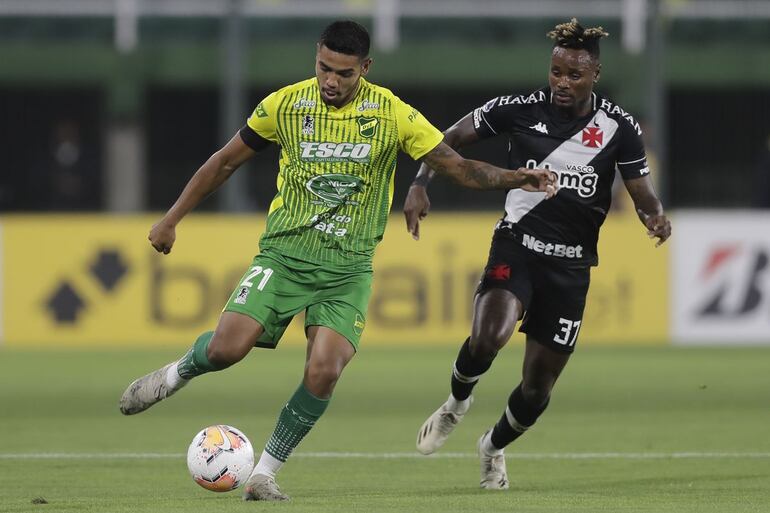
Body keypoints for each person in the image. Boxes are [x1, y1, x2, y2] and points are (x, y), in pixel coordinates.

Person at [118, 20, 557, 502]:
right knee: (226, 350)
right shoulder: (285, 104)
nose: (331, 80)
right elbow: (223, 161)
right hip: (285, 257)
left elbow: (459, 167)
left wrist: (515, 177)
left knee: (324, 370)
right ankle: (176, 374)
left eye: (343, 73)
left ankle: (263, 474)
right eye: (324, 67)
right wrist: (171, 219)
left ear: (364, 68)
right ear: (316, 58)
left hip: (347, 271)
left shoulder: (393, 115)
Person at [404, 18, 671, 490]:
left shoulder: (618, 128)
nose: (562, 83)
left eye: (574, 75)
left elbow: (641, 192)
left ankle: (492, 447)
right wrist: (421, 183)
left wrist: (655, 217)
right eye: (556, 72)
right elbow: (445, 141)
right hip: (517, 244)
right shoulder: (518, 108)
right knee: (489, 337)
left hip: (571, 267)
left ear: (595, 75)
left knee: (536, 390)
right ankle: (456, 405)